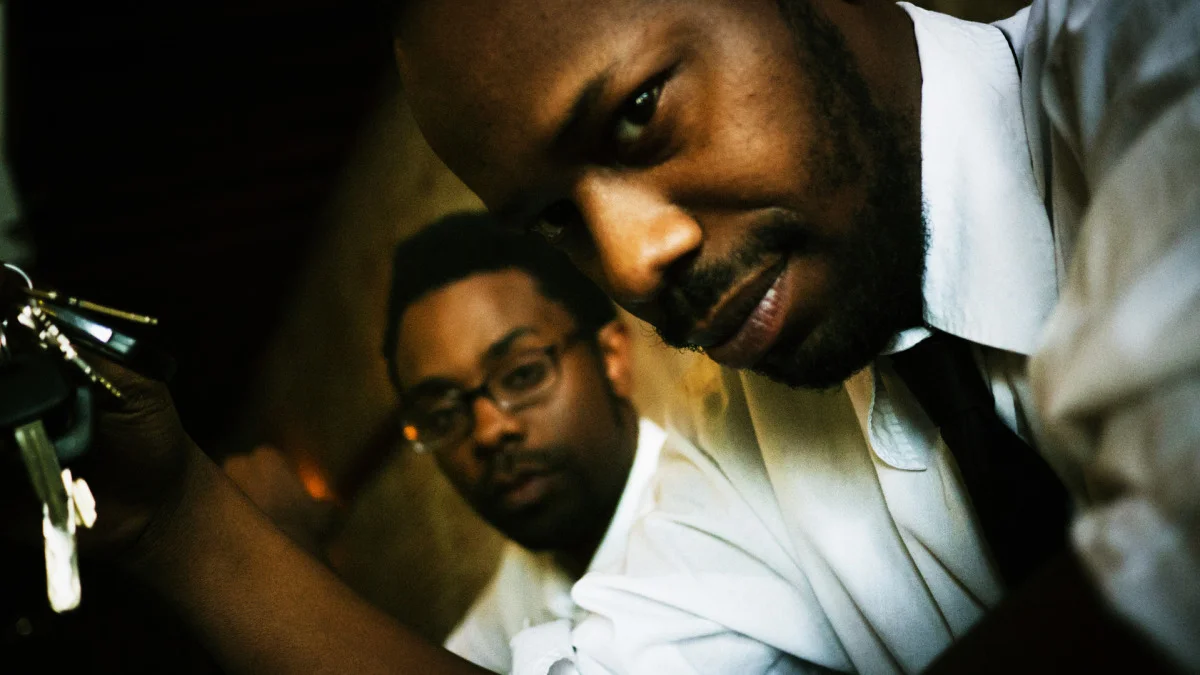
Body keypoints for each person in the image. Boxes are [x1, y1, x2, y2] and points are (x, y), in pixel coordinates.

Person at [22, 0, 1196, 673]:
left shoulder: (1159, 73)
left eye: (639, 113)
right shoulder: (735, 445)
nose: (632, 263)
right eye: (555, 221)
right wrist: (174, 523)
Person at [381, 213, 665, 672]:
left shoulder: (733, 512)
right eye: (442, 415)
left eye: (522, 374)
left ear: (611, 358)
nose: (488, 431)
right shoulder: (513, 600)